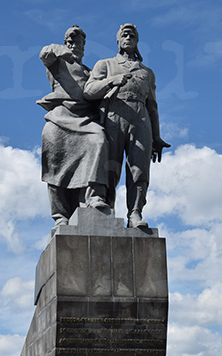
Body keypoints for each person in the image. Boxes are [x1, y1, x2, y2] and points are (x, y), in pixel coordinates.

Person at [84, 23, 170, 228]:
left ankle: (135, 213)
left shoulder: (147, 72)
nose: (128, 37)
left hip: (141, 119)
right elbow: (89, 91)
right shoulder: (105, 64)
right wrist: (112, 80)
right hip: (114, 114)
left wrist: (156, 136)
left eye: (132, 34)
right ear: (118, 40)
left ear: (137, 40)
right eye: (125, 34)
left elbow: (153, 106)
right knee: (110, 167)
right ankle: (107, 213)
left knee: (139, 168)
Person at [38, 25, 109, 226]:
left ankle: (93, 197)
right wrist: (60, 49)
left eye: (76, 41)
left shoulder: (89, 72)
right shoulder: (57, 63)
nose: (72, 44)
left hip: (86, 120)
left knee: (99, 139)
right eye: (69, 41)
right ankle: (60, 215)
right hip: (60, 119)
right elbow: (44, 54)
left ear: (83, 46)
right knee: (55, 164)